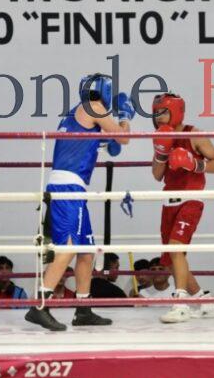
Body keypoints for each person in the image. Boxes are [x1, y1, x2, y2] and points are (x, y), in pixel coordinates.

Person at [25, 73, 133, 331]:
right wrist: (126, 116)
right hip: (68, 187)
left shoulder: (79, 115)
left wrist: (110, 137)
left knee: (86, 251)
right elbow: (124, 138)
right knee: (69, 248)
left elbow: (110, 145)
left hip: (74, 188)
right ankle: (40, 305)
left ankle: (83, 309)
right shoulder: (94, 107)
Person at [151, 92, 214, 323]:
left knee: (175, 249)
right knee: (172, 260)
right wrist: (162, 153)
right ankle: (204, 301)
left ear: (175, 111)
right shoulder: (160, 137)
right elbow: (157, 175)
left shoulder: (194, 134)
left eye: (162, 112)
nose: (158, 117)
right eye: (155, 113)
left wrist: (194, 163)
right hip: (169, 200)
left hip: (191, 199)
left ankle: (180, 303)